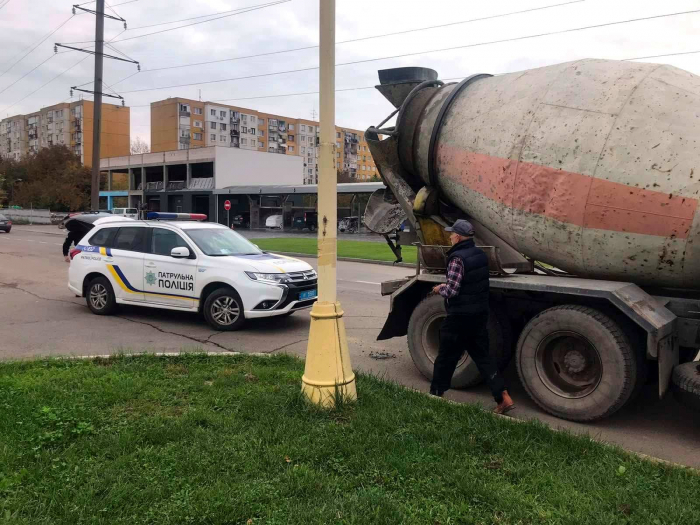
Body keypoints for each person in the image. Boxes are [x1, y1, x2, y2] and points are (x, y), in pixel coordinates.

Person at [430, 219, 515, 415]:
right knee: (483, 357)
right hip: (478, 314)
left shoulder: (457, 258)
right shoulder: (480, 254)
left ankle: (435, 394)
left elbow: (452, 290)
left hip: (459, 317)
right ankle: (503, 397)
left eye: (452, 234)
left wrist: (438, 288)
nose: (450, 236)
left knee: (446, 357)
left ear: (458, 237)